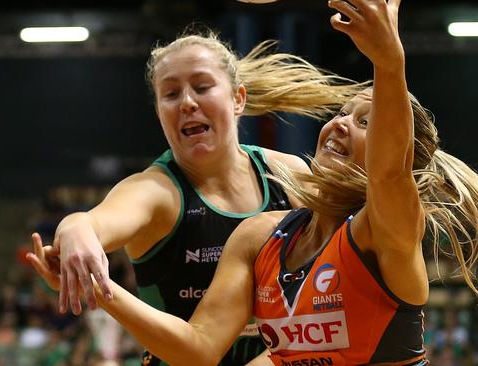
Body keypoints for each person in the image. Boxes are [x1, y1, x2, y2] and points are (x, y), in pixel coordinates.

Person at [29, 0, 478, 364]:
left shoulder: (382, 231)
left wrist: (388, 62)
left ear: (238, 100)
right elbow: (203, 349)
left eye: (365, 123)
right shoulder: (260, 234)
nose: (338, 124)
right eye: (341, 114)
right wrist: (87, 255)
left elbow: (389, 171)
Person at [48, 27, 364, 366]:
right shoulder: (157, 191)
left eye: (201, 87)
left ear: (238, 98)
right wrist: (74, 228)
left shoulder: (289, 174)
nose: (186, 102)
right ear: (159, 113)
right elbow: (93, 222)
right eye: (170, 94)